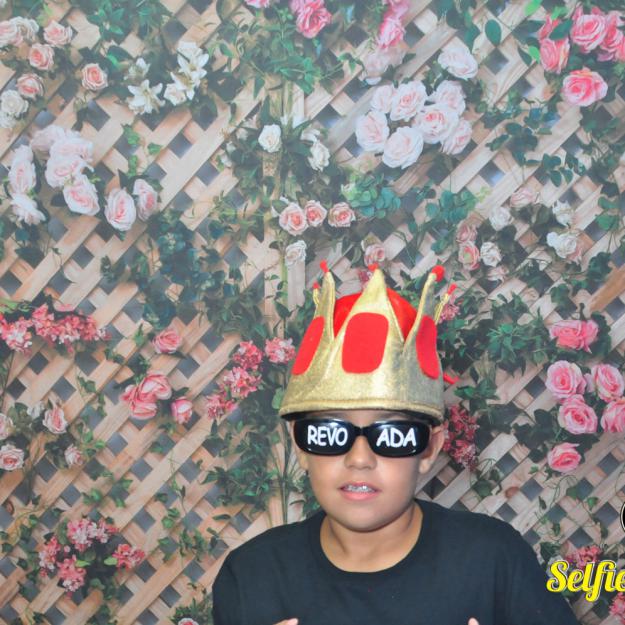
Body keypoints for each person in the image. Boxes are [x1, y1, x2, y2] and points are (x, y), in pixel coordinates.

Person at [211, 263, 580, 625]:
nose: (359, 458)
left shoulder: (494, 561)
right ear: (300, 445)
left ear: (429, 448)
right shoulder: (251, 577)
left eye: (391, 436)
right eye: (330, 433)